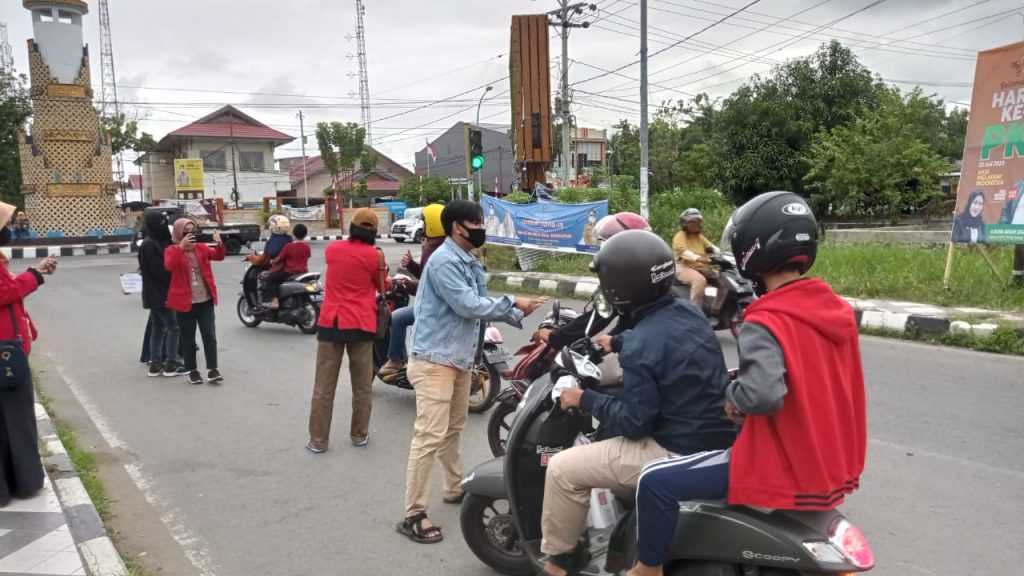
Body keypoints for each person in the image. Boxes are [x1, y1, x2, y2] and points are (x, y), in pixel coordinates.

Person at [627, 191, 866, 576]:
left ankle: (647, 569)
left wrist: (733, 396)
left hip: (781, 458)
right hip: (827, 458)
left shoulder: (766, 318)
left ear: (753, 248)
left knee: (653, 480)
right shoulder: (833, 309)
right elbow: (807, 374)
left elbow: (762, 394)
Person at [540, 229, 736, 575]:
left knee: (562, 469)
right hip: (713, 437)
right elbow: (659, 334)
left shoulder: (644, 344)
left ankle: (558, 564)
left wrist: (584, 399)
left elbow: (634, 423)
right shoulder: (689, 312)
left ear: (619, 287)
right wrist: (614, 341)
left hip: (674, 449)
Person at [397, 200, 546, 544]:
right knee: (429, 437)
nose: (481, 227)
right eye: (474, 222)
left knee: (453, 429)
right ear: (456, 227)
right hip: (435, 360)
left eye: (481, 221)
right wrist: (514, 303)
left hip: (460, 358)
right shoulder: (444, 261)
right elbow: (466, 304)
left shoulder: (469, 261)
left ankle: (453, 488)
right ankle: (413, 514)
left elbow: (479, 306)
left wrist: (518, 314)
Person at [306, 208, 387, 454]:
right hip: (361, 325)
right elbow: (382, 285)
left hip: (332, 323)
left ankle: (318, 441)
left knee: (323, 386)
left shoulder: (332, 250)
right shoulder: (375, 256)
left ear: (352, 227)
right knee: (362, 385)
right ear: (373, 232)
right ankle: (359, 435)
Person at [0, 201, 57, 507]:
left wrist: (35, 272)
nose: (8, 230)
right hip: (4, 356)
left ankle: (18, 481)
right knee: (17, 419)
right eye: (4, 225)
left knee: (13, 420)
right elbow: (4, 294)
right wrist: (33, 277)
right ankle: (20, 481)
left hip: (9, 350)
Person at [534, 212, 651, 349]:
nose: (606, 249)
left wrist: (554, 337)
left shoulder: (624, 281)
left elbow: (596, 319)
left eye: (611, 243)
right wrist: (612, 340)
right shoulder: (653, 270)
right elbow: (629, 319)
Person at [378, 203, 445, 376]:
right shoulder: (441, 245)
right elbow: (426, 277)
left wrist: (405, 284)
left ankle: (394, 360)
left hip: (434, 308)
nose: (422, 226)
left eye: (423, 221)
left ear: (431, 223)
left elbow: (426, 287)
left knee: (397, 317)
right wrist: (411, 265)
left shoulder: (433, 248)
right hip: (442, 304)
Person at [165, 219, 225, 386]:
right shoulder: (171, 250)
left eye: (193, 230)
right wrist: (181, 248)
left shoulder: (201, 248)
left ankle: (213, 369)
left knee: (209, 335)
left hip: (204, 299)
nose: (190, 233)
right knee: (188, 338)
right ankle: (193, 371)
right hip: (185, 302)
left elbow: (218, 257)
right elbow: (169, 266)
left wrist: (219, 245)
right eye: (186, 231)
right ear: (178, 233)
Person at [138, 210, 184, 377]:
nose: (163, 226)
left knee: (158, 327)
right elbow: (160, 271)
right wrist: (177, 277)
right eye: (160, 223)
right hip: (160, 294)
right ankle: (171, 364)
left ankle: (156, 364)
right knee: (173, 326)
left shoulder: (155, 242)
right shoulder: (150, 244)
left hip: (156, 293)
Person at [672, 208, 724, 317]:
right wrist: (699, 258)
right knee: (699, 280)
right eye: (691, 221)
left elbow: (712, 247)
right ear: (684, 223)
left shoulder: (699, 237)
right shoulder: (680, 236)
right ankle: (694, 313)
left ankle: (716, 309)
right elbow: (683, 252)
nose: (694, 224)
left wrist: (719, 253)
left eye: (696, 221)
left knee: (724, 280)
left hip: (700, 266)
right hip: (684, 266)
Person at [264, 223, 312, 309]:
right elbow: (307, 256)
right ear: (305, 234)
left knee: (270, 278)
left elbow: (279, 258)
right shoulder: (307, 246)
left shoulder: (289, 246)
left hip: (290, 272)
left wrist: (272, 261)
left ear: (293, 233)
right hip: (303, 271)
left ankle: (274, 301)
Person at [254, 215, 293, 307]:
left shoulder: (273, 241)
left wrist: (252, 259)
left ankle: (265, 301)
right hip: (293, 267)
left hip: (281, 268)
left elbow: (265, 258)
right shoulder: (290, 239)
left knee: (261, 276)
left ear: (274, 227)